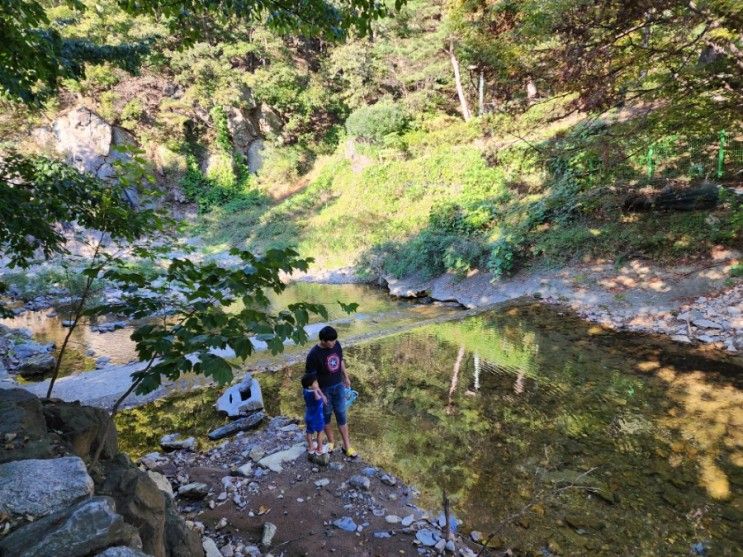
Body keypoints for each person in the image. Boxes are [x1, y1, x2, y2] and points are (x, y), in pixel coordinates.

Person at [305, 325, 358, 458]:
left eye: (335, 340)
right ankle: (331, 442)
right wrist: (320, 395)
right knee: (326, 417)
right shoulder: (313, 355)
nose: (334, 343)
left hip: (338, 386)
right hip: (324, 390)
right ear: (323, 340)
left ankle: (347, 446)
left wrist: (346, 377)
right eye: (331, 341)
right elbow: (312, 379)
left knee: (341, 415)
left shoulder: (336, 345)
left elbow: (340, 361)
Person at [301, 373, 328, 462]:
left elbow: (316, 391)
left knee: (309, 432)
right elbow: (317, 398)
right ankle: (319, 449)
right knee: (320, 432)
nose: (317, 383)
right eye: (315, 382)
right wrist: (317, 392)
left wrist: (320, 393)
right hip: (317, 417)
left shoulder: (305, 390)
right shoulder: (314, 394)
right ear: (310, 385)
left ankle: (311, 447)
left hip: (308, 416)